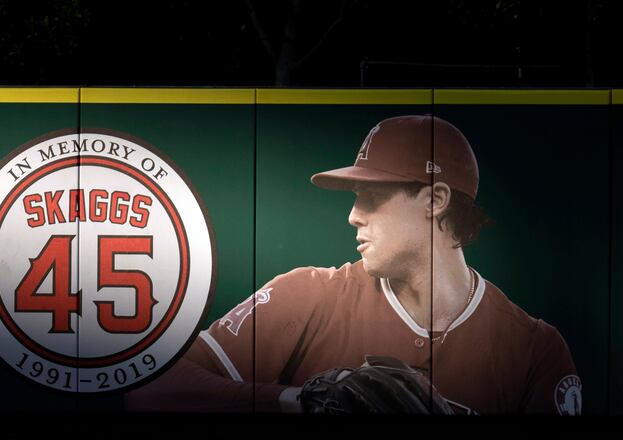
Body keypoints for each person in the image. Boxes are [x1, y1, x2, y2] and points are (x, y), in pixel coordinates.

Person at [125, 115, 581, 415]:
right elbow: (151, 389)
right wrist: (299, 400)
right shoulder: (308, 295)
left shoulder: (533, 350)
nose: (353, 214)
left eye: (373, 196)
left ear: (435, 201)